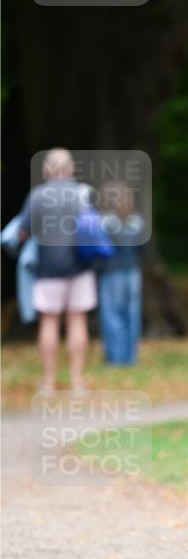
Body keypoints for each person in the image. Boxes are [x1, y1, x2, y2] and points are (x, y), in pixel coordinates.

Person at [17, 148, 96, 394]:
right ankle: (77, 382)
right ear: (70, 169)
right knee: (77, 321)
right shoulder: (83, 194)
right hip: (80, 268)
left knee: (49, 323)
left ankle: (49, 382)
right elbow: (95, 229)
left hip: (48, 269)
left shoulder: (37, 195)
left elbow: (22, 232)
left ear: (48, 169)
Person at [97, 180, 145, 365]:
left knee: (112, 315)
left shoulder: (105, 221)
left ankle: (114, 358)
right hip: (133, 271)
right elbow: (142, 248)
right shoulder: (137, 221)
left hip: (111, 272)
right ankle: (130, 357)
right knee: (131, 315)